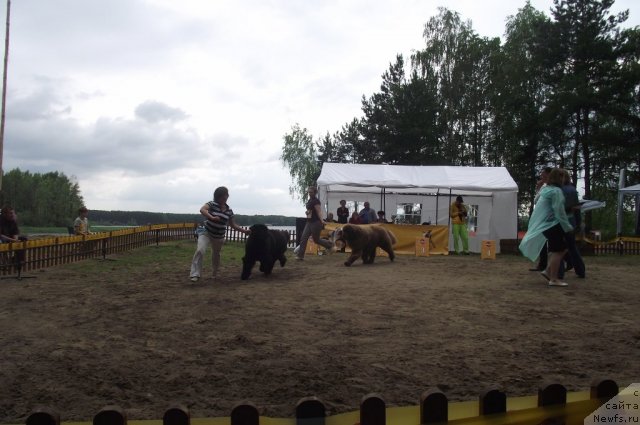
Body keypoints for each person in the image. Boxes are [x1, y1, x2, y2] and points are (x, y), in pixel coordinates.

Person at [519, 168, 573, 287]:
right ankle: (553, 278)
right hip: (552, 224)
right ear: (559, 178)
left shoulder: (546, 190)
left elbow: (538, 202)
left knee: (559, 249)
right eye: (562, 176)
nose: (564, 178)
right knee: (559, 250)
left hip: (546, 225)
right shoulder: (556, 192)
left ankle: (548, 271)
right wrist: (567, 226)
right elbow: (559, 211)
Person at [189, 186, 250, 282]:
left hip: (219, 237)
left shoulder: (229, 211)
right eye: (223, 196)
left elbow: (233, 225)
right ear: (218, 196)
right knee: (200, 250)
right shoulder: (212, 204)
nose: (225, 198)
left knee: (216, 254)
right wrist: (212, 217)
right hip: (206, 232)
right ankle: (195, 274)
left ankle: (214, 273)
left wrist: (244, 231)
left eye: (226, 196)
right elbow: (202, 210)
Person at [558, 170, 585, 279]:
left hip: (561, 222)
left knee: (558, 248)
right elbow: (577, 209)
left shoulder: (559, 190)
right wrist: (578, 223)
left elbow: (559, 208)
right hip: (571, 222)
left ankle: (559, 273)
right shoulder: (573, 190)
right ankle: (581, 271)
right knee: (572, 247)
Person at [296, 186, 334, 260]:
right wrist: (307, 212)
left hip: (316, 222)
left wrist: (322, 220)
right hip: (309, 222)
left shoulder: (316, 201)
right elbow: (310, 210)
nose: (309, 193)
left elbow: (319, 211)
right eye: (309, 192)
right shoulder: (310, 200)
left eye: (311, 192)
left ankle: (330, 245)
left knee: (316, 240)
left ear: (315, 192)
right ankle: (300, 256)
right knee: (303, 238)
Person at [529, 167, 552, 271]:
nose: (541, 176)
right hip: (542, 217)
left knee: (553, 243)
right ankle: (543, 264)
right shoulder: (544, 186)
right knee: (542, 241)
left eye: (543, 174)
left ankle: (561, 263)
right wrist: (538, 188)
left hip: (549, 217)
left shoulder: (552, 187)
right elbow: (536, 200)